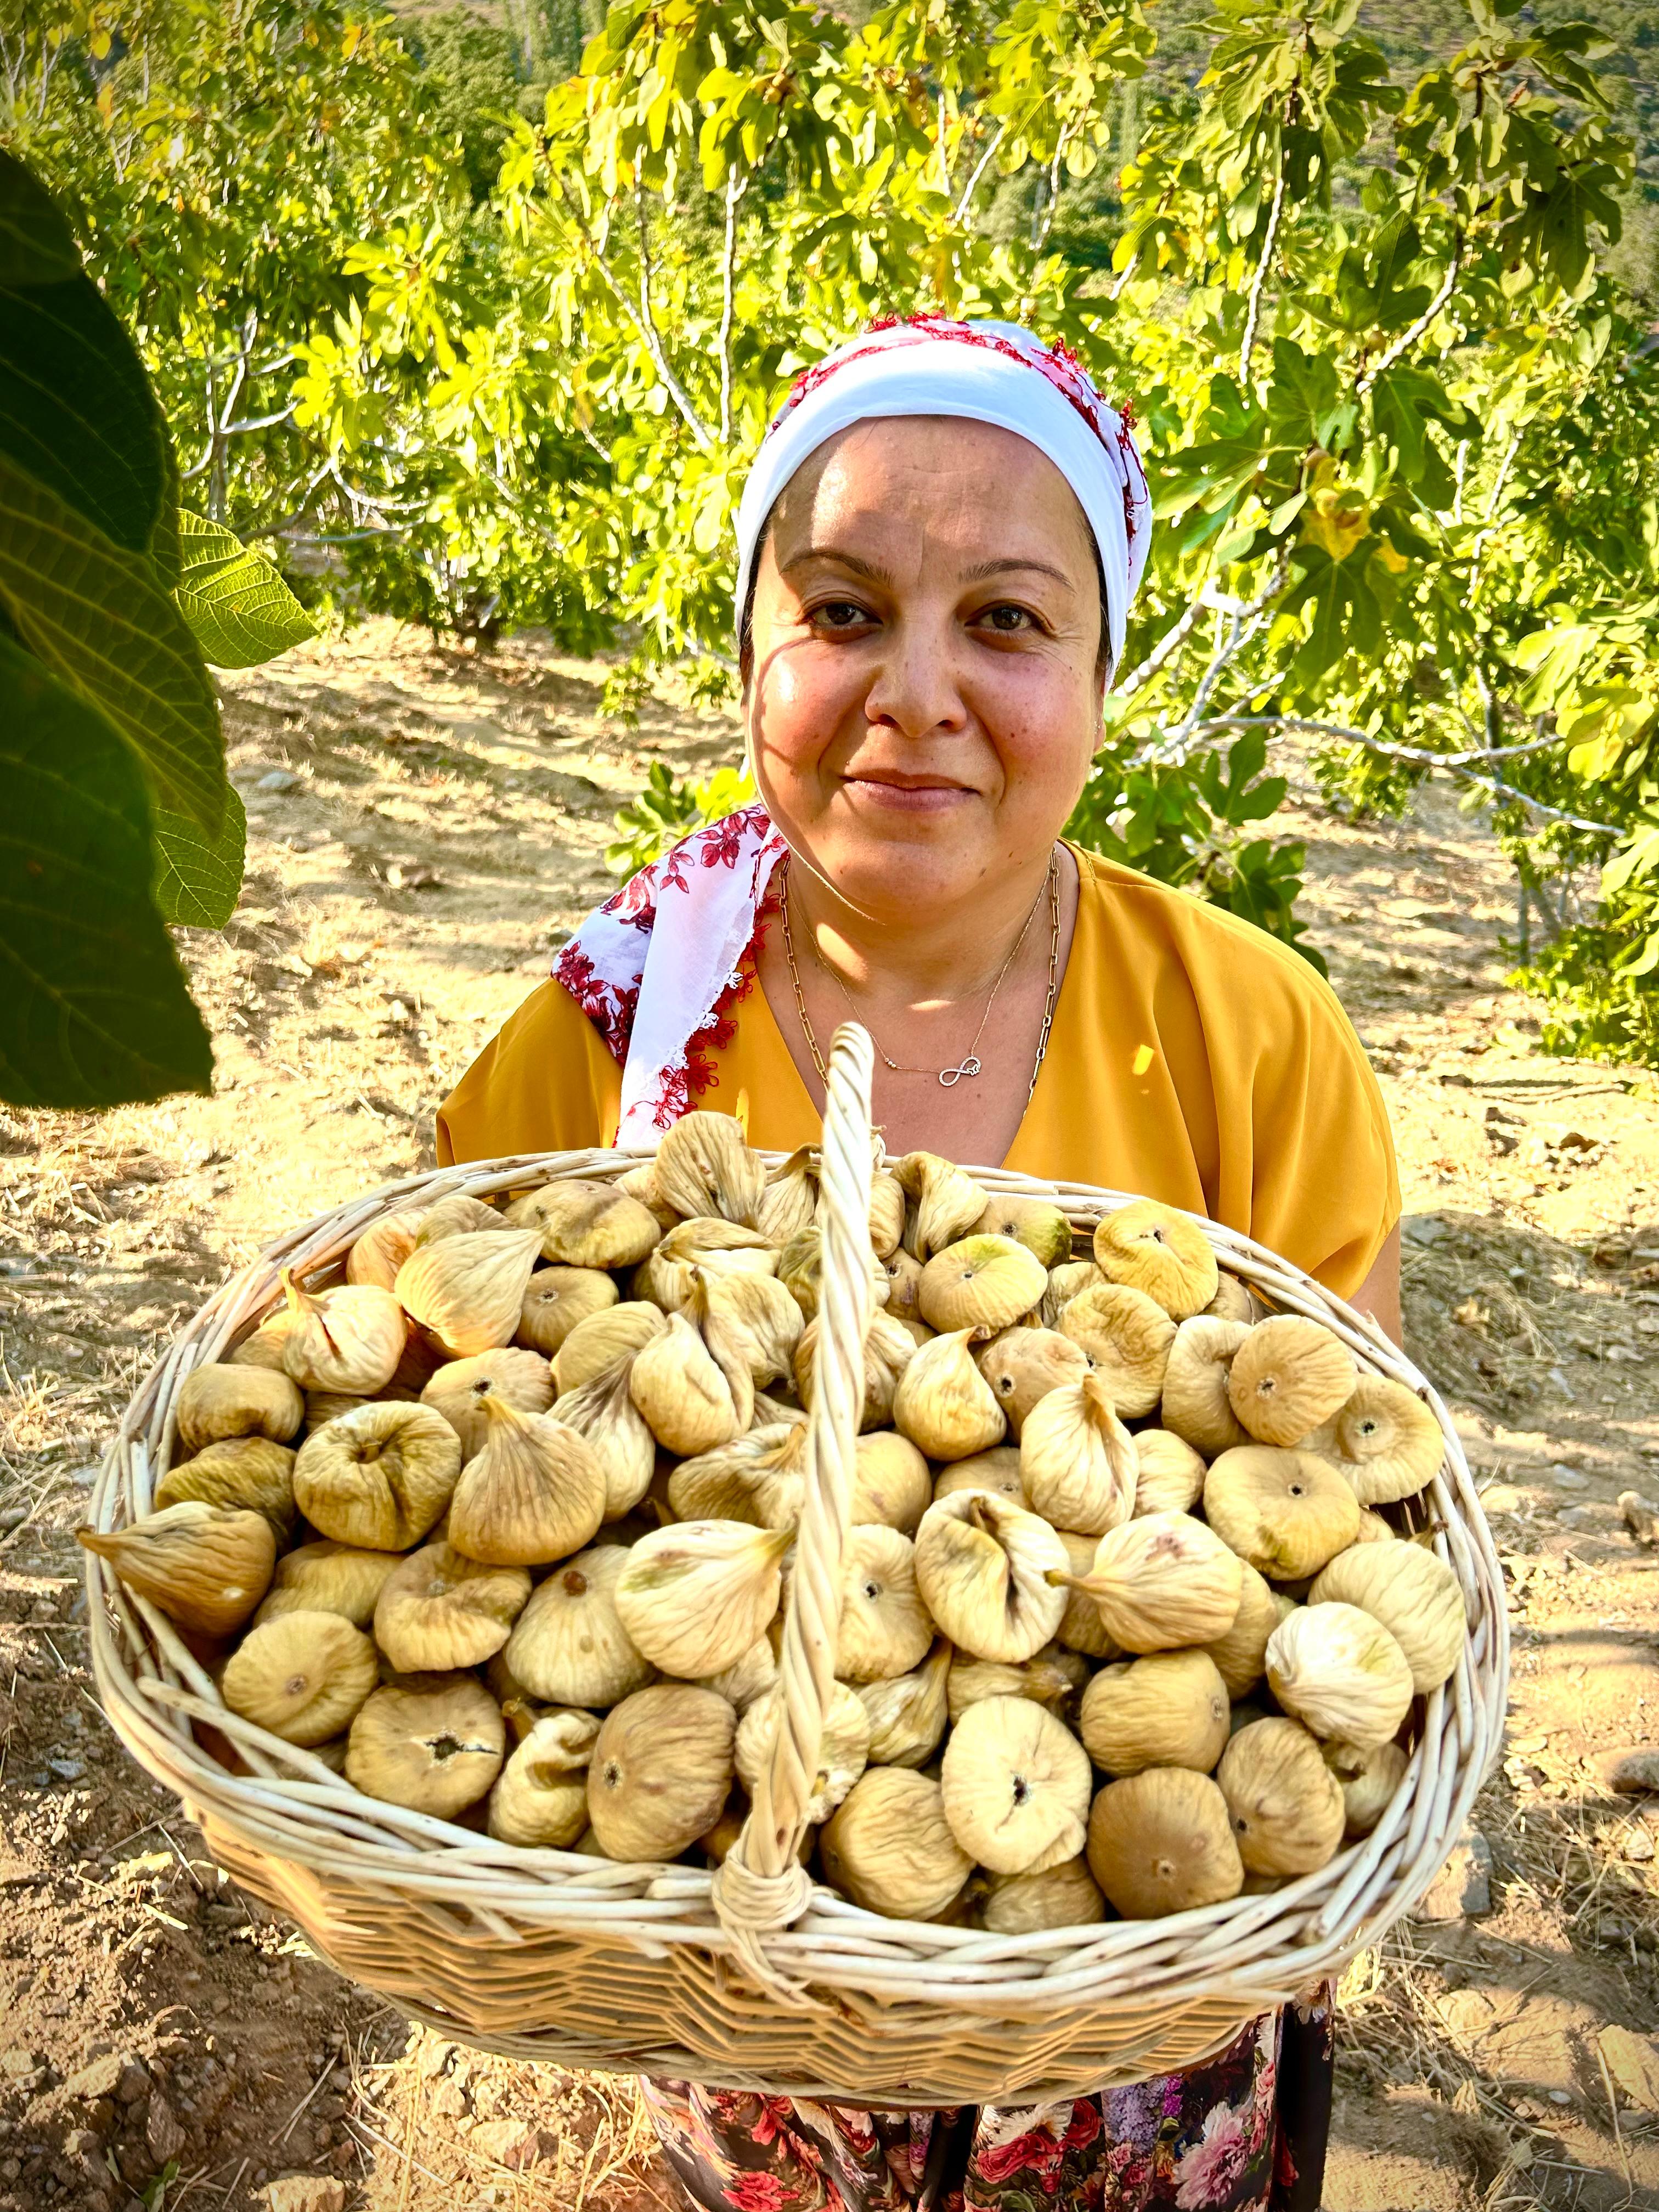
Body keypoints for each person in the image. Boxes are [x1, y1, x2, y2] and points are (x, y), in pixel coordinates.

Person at [437, 316, 1401, 2212]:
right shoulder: (609, 1039)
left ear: (1106, 678)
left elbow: (1355, 1503)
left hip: (1140, 1978)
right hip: (734, 2004)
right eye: (846, 609)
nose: (919, 693)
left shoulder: (1251, 1031)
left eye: (1012, 623)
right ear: (750, 656)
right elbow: (436, 1425)